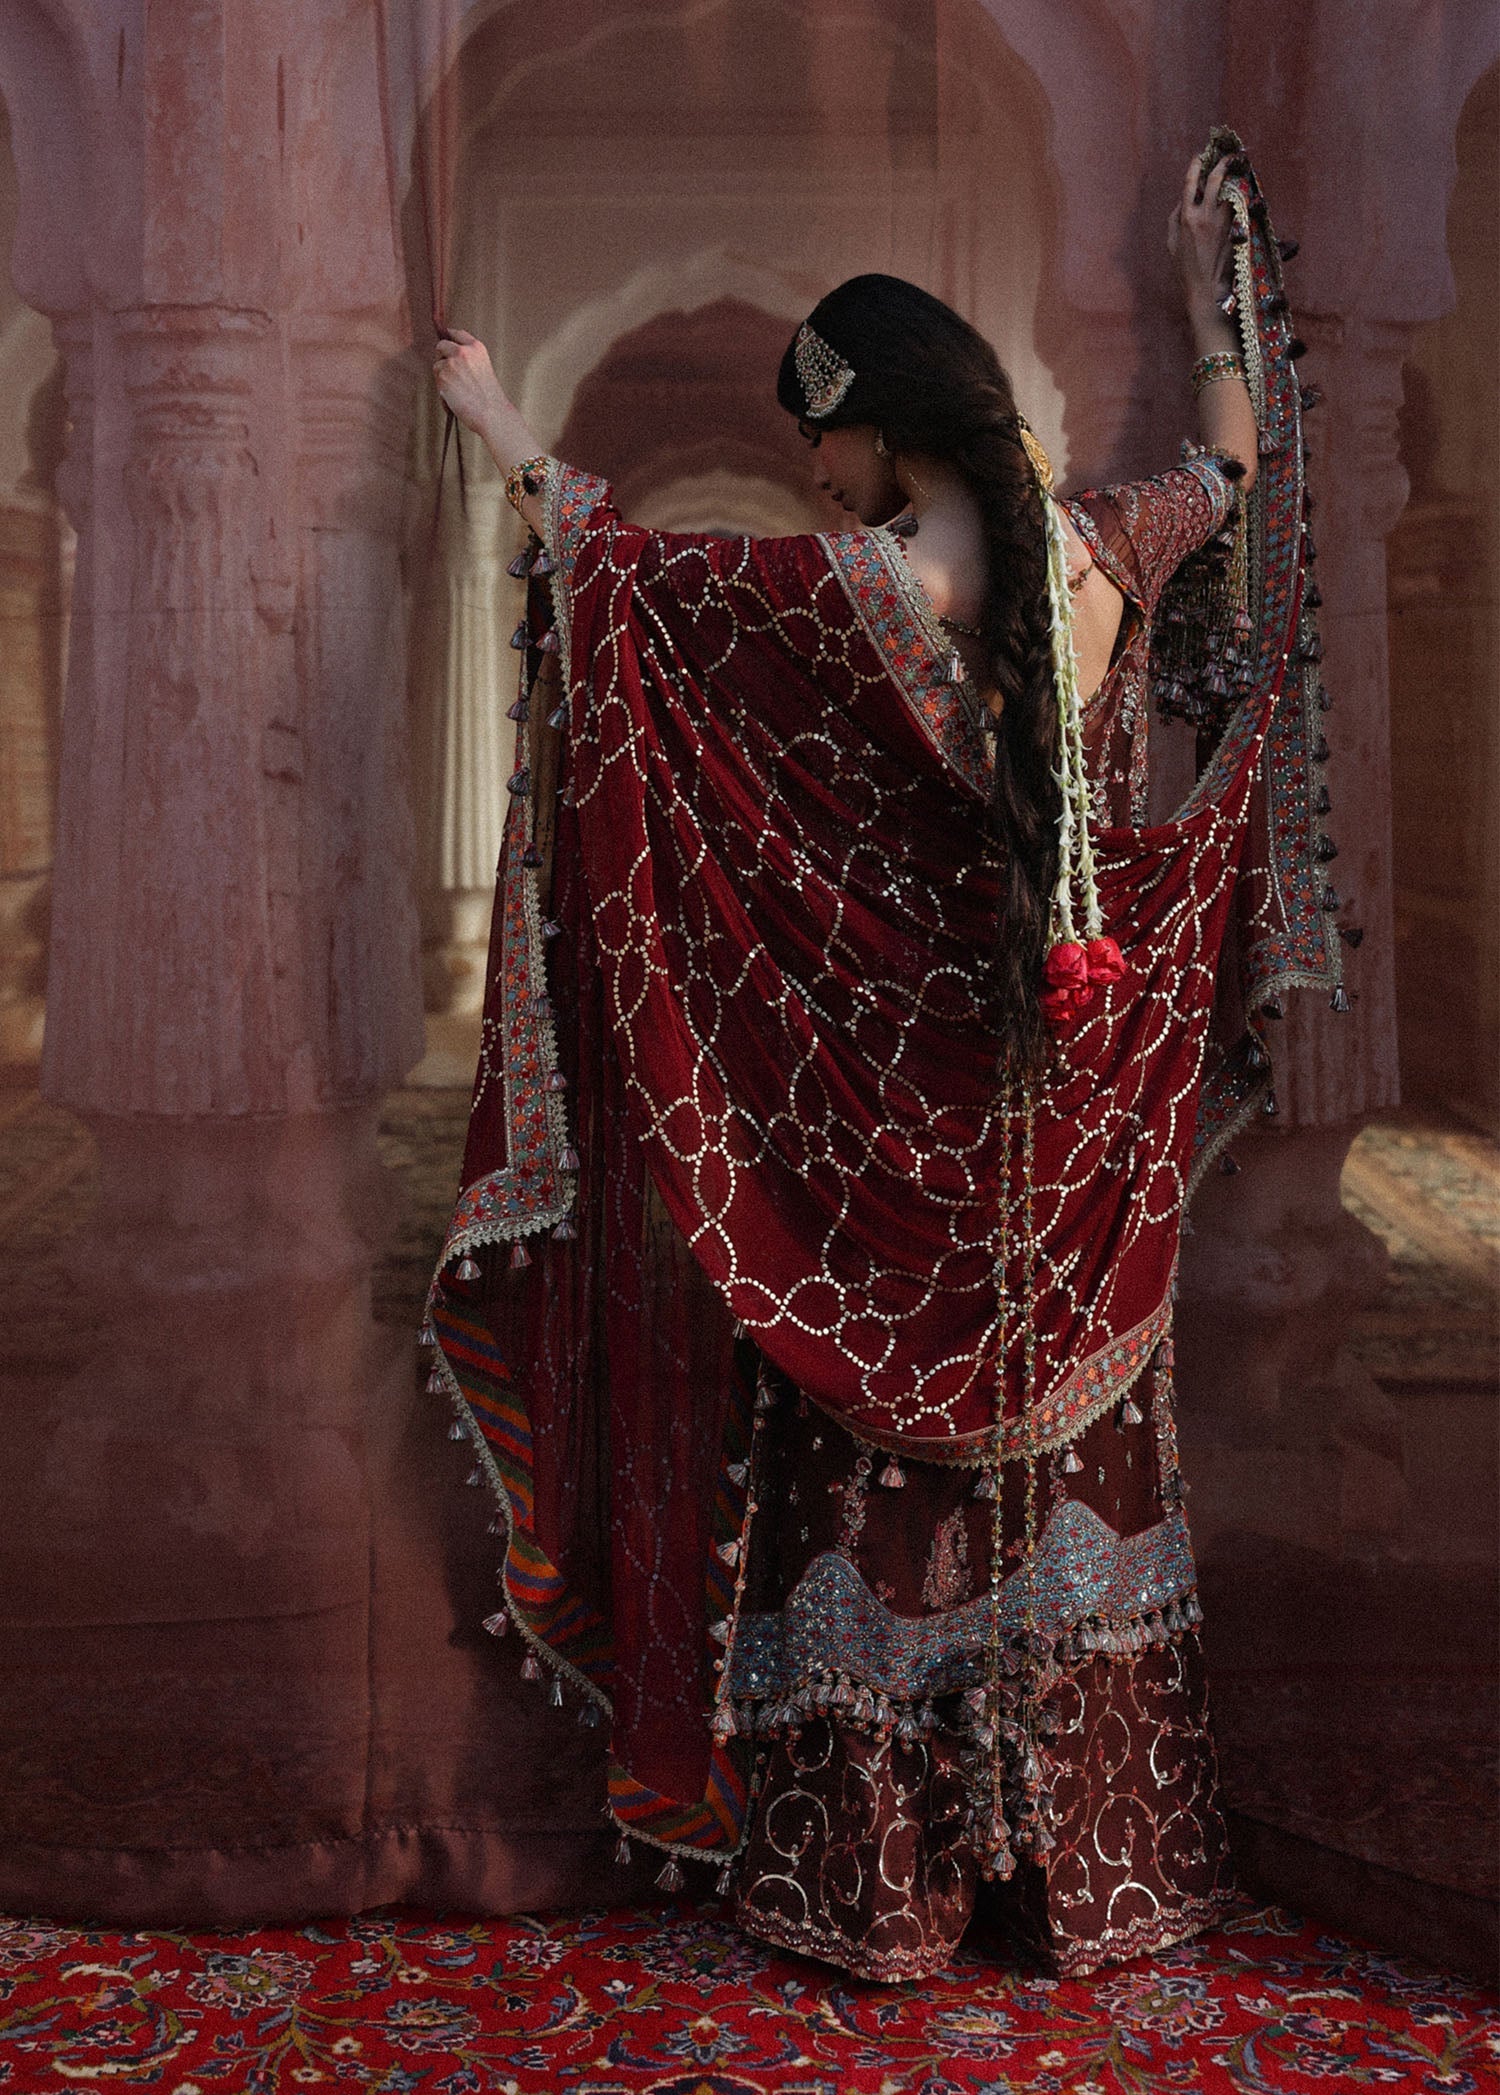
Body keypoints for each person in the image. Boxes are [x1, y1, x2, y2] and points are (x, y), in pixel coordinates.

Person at [424, 142, 1339, 1979]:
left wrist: (495, 414)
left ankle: (886, 1881)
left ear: (874, 418)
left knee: (872, 1484)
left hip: (882, 1146)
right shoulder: (1107, 543)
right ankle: (1080, 1863)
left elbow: (619, 578)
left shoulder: (855, 587)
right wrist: (1205, 299)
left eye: (816, 435)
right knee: (1067, 1466)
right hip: (1068, 1117)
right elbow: (1235, 471)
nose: (810, 469)